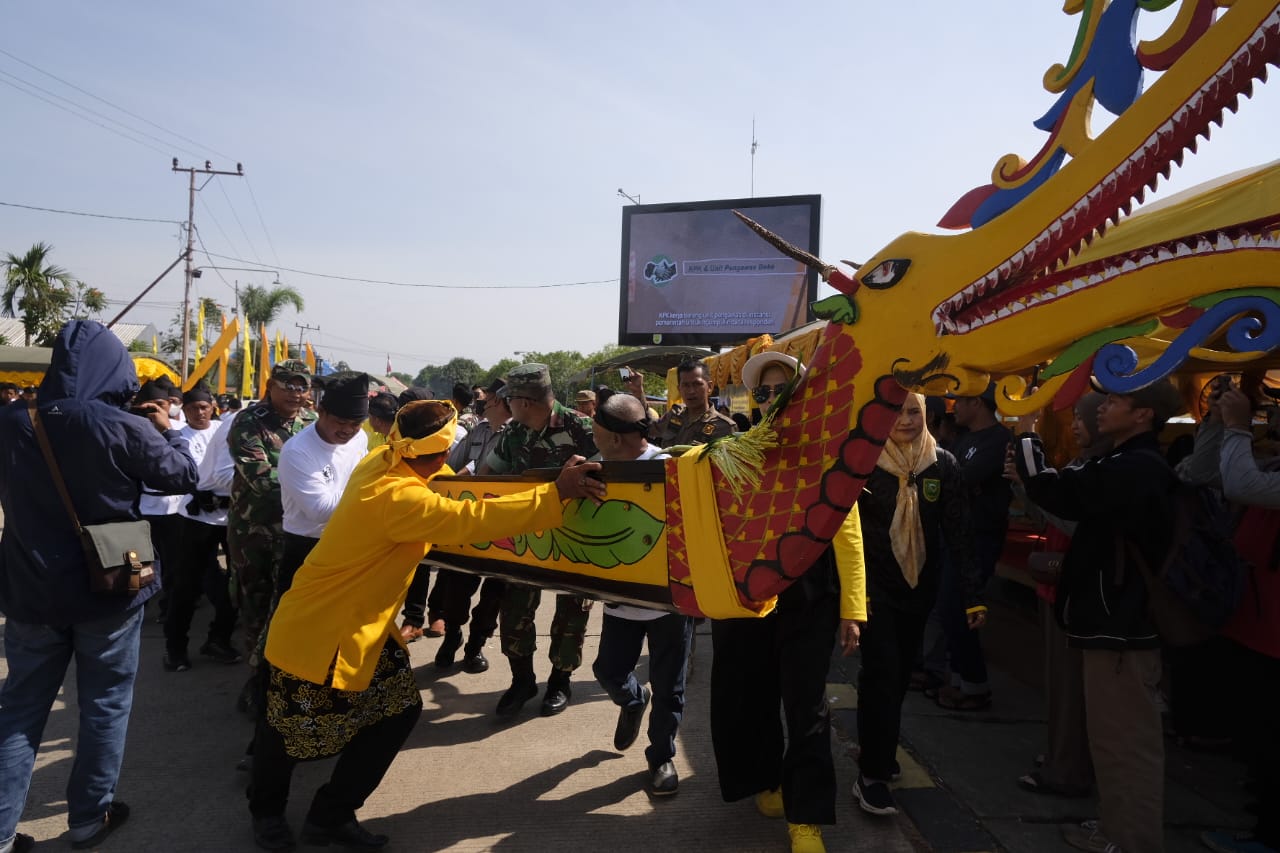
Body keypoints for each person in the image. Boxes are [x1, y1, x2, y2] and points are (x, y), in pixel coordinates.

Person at [247, 400, 606, 851]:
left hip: (364, 629)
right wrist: (557, 493)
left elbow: (449, 491)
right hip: (321, 631)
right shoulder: (401, 498)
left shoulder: (383, 460)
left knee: (396, 712)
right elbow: (471, 518)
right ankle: (266, 815)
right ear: (440, 452)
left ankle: (330, 814)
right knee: (287, 733)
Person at [0, 320, 197, 853]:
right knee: (105, 703)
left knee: (18, 710)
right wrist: (169, 428)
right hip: (109, 585)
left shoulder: (12, 419)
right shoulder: (119, 423)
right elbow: (181, 477)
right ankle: (88, 818)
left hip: (29, 589)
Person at [1014, 380, 1183, 853]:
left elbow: (1056, 491)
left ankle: (1130, 840)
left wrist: (1027, 433)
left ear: (1143, 414)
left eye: (1114, 401)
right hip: (1114, 624)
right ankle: (1115, 828)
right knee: (1113, 742)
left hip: (1123, 630)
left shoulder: (1136, 468)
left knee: (1126, 744)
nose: (1103, 408)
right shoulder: (1127, 463)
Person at [708, 352, 867, 853]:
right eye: (763, 391)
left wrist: (854, 608)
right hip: (747, 597)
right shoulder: (733, 449)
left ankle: (807, 818)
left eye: (782, 389)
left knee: (807, 706)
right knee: (748, 696)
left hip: (809, 599)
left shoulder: (828, 449)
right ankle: (769, 782)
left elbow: (848, 531)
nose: (772, 399)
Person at [854, 391, 984, 818]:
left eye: (913, 411)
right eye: (895, 411)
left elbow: (960, 534)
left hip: (918, 593)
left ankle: (881, 751)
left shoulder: (942, 464)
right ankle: (871, 776)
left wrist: (972, 596)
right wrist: (850, 598)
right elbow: (846, 537)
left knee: (897, 678)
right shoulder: (862, 462)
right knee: (881, 675)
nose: (905, 420)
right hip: (874, 594)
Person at [589, 394, 694, 796]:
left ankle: (661, 757)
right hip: (621, 603)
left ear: (614, 436)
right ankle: (633, 700)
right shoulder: (596, 467)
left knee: (671, 688)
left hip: (669, 605)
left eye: (597, 426)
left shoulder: (669, 468)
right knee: (608, 671)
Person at [480, 363, 597, 718]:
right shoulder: (514, 433)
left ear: (524, 401)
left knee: (572, 613)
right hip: (526, 539)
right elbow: (488, 474)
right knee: (514, 612)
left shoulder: (584, 429)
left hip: (575, 538)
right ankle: (523, 681)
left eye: (509, 399)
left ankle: (560, 682)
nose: (506, 406)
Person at [1011, 392, 1109, 798]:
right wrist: (1024, 489)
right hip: (1056, 588)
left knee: (1071, 689)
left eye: (1084, 418)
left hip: (1075, 591)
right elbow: (1046, 514)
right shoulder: (1080, 466)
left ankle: (1067, 767)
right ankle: (1059, 753)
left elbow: (1073, 523)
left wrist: (1035, 486)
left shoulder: (1105, 472)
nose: (1074, 425)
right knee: (1059, 685)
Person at [226, 359, 318, 710]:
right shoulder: (249, 421)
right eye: (288, 385)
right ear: (271, 385)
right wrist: (317, 493)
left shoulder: (312, 423)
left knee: (292, 608)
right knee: (257, 605)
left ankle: (286, 676)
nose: (295, 392)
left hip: (300, 532)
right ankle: (256, 682)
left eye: (301, 386)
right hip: (256, 531)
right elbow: (262, 480)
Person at [934, 383, 1011, 710]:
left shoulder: (1000, 440)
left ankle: (975, 685)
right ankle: (957, 679)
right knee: (948, 609)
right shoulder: (964, 439)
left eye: (959, 402)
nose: (954, 409)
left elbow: (960, 480)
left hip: (980, 536)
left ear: (977, 403)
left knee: (961, 609)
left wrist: (956, 485)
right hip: (953, 534)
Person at [163, 385, 242, 672]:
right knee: (186, 586)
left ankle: (218, 639)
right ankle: (175, 648)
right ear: (183, 410)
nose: (199, 412)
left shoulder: (225, 425)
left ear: (213, 408)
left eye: (204, 406)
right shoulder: (186, 434)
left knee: (237, 584)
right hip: (198, 518)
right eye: (193, 407)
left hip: (231, 516)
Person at [433, 379, 510, 672]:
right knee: (456, 590)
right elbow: (453, 464)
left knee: (493, 595)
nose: (483, 406)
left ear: (502, 404)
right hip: (466, 525)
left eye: (488, 401)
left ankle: (475, 646)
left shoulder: (517, 436)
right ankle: (451, 637)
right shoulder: (478, 430)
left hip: (501, 527)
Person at [276, 371, 371, 602]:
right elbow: (320, 511)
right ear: (321, 412)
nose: (348, 430)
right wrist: (371, 486)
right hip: (307, 548)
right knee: (297, 626)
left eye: (356, 424)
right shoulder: (297, 451)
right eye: (341, 422)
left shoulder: (359, 439)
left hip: (347, 543)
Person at [135, 380, 187, 624]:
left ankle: (168, 607)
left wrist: (167, 430)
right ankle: (139, 605)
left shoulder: (178, 429)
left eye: (162, 404)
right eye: (150, 405)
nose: (156, 410)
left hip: (175, 508)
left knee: (174, 564)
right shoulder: (132, 427)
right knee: (142, 562)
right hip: (144, 508)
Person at [649, 358, 735, 447]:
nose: (691, 391)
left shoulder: (723, 426)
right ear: (679, 389)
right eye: (686, 385)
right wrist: (639, 394)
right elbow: (650, 428)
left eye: (697, 384)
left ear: (709, 387)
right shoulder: (674, 415)